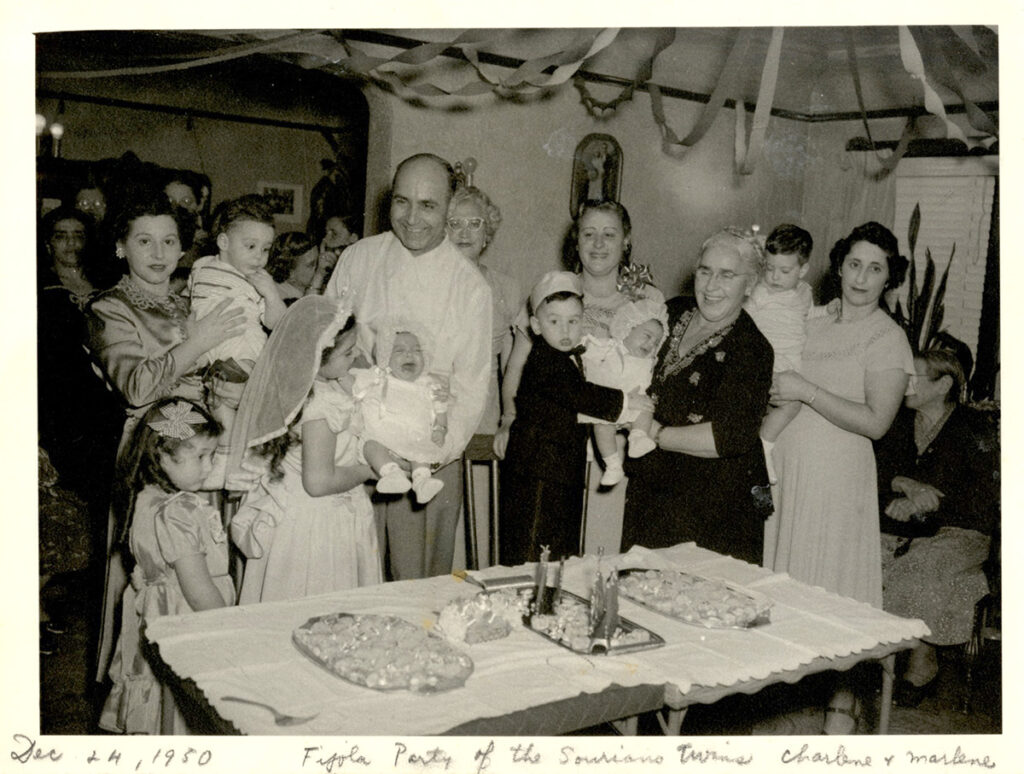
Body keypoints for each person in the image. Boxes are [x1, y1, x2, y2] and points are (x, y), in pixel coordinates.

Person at [87, 192, 244, 681]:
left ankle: (209, 675)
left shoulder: (188, 302)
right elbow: (136, 386)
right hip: (152, 457)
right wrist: (199, 341)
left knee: (204, 567)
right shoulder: (108, 308)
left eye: (168, 241)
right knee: (160, 577)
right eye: (143, 241)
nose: (157, 254)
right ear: (120, 248)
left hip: (202, 450)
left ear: (183, 250)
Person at [764, 221, 914, 733]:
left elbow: (877, 421)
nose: (861, 277)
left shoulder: (888, 337)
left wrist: (805, 389)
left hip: (838, 482)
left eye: (876, 268)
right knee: (779, 586)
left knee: (833, 592)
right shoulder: (811, 317)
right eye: (854, 263)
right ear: (840, 265)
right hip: (786, 469)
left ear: (889, 278)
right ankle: (770, 703)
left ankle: (842, 706)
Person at [323, 153, 491, 580]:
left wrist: (428, 454)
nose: (412, 218)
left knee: (416, 587)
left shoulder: (469, 285)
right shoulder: (359, 258)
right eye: (402, 202)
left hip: (427, 459)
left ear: (450, 208)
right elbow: (322, 345)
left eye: (428, 205)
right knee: (346, 578)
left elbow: (471, 388)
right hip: (353, 452)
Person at [620, 228, 774, 564]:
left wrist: (654, 432)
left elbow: (727, 436)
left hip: (714, 504)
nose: (711, 285)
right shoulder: (671, 312)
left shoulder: (753, 349)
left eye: (727, 274)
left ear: (749, 284)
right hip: (652, 488)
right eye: (705, 271)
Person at [227, 296, 382, 602]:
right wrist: (370, 471)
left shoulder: (313, 389)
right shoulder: (321, 405)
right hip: (318, 525)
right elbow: (318, 481)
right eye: (348, 352)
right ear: (318, 356)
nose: (355, 357)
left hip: (300, 515)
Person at [98, 399, 233, 734]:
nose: (208, 467)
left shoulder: (145, 497)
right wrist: (230, 630)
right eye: (200, 456)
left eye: (212, 456)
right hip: (189, 617)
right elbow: (199, 592)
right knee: (188, 704)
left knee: (160, 700)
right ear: (160, 454)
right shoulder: (179, 512)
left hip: (159, 614)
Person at [499, 272, 651, 565]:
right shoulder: (545, 361)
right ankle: (532, 602)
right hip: (539, 471)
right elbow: (579, 395)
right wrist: (625, 401)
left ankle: (552, 601)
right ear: (536, 326)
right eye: (554, 321)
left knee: (559, 547)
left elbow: (573, 404)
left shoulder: (567, 358)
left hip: (560, 468)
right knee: (535, 548)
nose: (565, 329)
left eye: (574, 320)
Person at [876, 348, 999, 705]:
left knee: (922, 567)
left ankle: (919, 661)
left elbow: (983, 497)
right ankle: (885, 659)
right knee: (861, 558)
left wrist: (924, 507)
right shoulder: (896, 421)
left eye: (915, 378)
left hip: (962, 532)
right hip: (904, 526)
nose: (906, 384)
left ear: (943, 384)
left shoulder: (974, 427)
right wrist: (904, 484)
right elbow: (875, 472)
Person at [187, 194, 285, 433]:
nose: (259, 256)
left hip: (244, 353)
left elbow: (278, 322)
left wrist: (271, 293)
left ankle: (233, 450)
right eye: (250, 246)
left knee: (233, 410)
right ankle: (227, 452)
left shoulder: (256, 281)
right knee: (217, 405)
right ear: (223, 242)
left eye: (266, 249)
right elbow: (188, 301)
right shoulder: (201, 266)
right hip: (206, 355)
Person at [446, 185, 522, 434]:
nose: (464, 232)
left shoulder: (505, 288)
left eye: (474, 223)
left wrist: (510, 417)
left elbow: (511, 365)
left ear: (487, 233)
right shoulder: (429, 284)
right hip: (436, 404)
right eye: (455, 223)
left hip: (485, 408)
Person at [743, 224, 815, 483]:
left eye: (784, 271)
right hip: (766, 362)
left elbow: (809, 318)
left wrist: (831, 310)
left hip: (789, 364)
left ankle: (762, 444)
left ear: (803, 270)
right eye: (770, 268)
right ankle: (764, 446)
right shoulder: (760, 292)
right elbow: (742, 319)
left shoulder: (805, 293)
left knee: (792, 404)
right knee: (789, 404)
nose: (774, 276)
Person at [351, 324, 448, 503]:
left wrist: (440, 429)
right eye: (399, 351)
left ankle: (422, 481)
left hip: (414, 438)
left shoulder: (428, 384)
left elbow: (440, 409)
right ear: (385, 358)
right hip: (381, 437)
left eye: (416, 350)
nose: (409, 354)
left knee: (421, 453)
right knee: (370, 447)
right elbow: (353, 385)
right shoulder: (378, 378)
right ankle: (391, 474)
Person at [579, 296, 668, 486]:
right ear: (628, 328)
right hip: (607, 403)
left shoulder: (647, 362)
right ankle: (613, 465)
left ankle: (638, 437)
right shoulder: (610, 348)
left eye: (656, 342)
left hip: (633, 403)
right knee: (603, 427)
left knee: (646, 408)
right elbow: (587, 352)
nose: (651, 344)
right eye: (647, 336)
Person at [266, 231, 321, 302]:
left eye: (318, 261)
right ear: (290, 273)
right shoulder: (280, 298)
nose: (319, 267)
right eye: (311, 265)